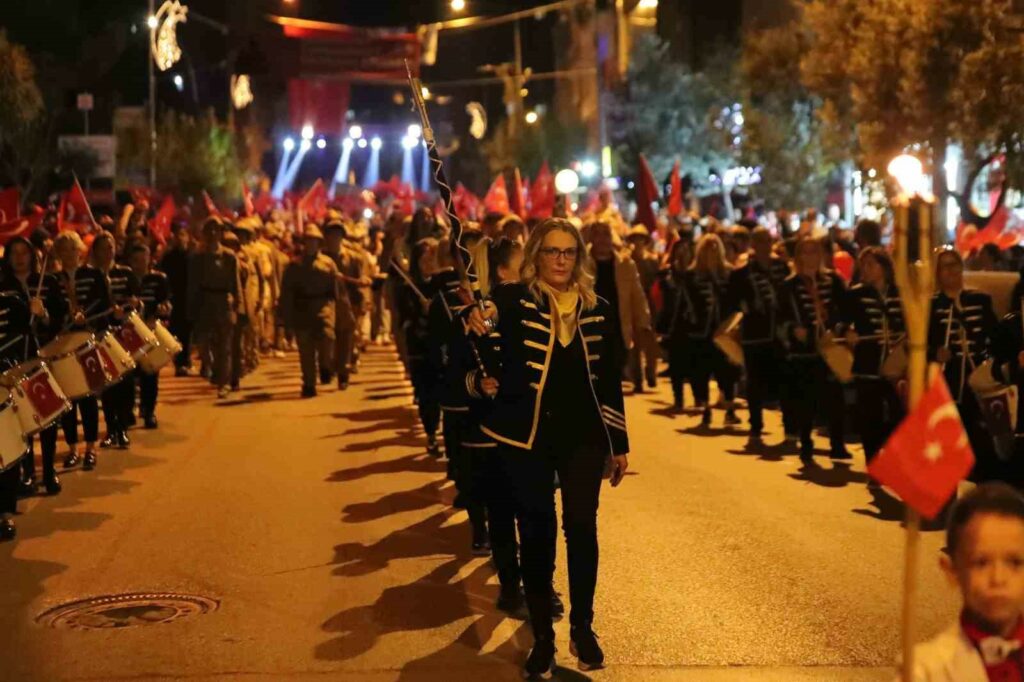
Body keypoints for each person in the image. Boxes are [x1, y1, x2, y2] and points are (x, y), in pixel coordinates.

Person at [467, 218, 630, 677]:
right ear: (535, 256)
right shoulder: (511, 299)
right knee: (536, 533)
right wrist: (477, 320)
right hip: (527, 435)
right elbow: (482, 326)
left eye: (568, 252)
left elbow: (609, 381)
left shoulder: (598, 307)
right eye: (551, 251)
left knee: (581, 528)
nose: (560, 260)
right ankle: (543, 637)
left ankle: (583, 627)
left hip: (584, 437)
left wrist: (618, 443)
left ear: (578, 258)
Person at [909, 483, 1024, 681]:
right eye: (981, 562)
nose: (998, 579)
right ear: (952, 571)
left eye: (1014, 562)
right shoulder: (924, 671)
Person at [0, 237, 66, 509]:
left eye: (23, 252)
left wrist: (44, 314)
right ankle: (27, 473)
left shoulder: (47, 282)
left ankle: (48, 469)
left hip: (42, 355)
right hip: (14, 361)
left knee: (47, 415)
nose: (19, 258)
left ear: (32, 255)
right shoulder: (3, 286)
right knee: (22, 420)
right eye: (13, 253)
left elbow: (60, 319)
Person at [930, 248, 999, 481]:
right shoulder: (932, 306)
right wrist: (935, 353)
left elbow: (995, 336)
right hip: (948, 380)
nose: (951, 270)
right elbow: (919, 345)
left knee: (981, 434)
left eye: (955, 264)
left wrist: (987, 359)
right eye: (945, 266)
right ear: (937, 273)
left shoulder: (980, 299)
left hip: (977, 377)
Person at [779, 236, 849, 462]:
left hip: (830, 347)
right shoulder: (789, 285)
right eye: (805, 252)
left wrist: (838, 329)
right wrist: (793, 330)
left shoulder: (833, 280)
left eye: (814, 251)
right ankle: (806, 442)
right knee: (806, 399)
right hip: (804, 350)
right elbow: (780, 319)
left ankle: (837, 444)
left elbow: (844, 310)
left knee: (835, 398)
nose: (810, 257)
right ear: (798, 256)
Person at [53, 231, 113, 470]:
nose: (69, 254)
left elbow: (105, 305)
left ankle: (90, 447)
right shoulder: (53, 280)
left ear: (80, 251)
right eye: (64, 249)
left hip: (88, 340)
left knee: (88, 396)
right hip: (64, 343)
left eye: (73, 248)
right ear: (58, 253)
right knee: (68, 397)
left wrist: (87, 316)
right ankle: (72, 448)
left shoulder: (94, 275)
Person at [725, 226, 791, 445]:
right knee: (755, 382)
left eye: (767, 241)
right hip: (754, 335)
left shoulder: (782, 268)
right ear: (753, 244)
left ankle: (789, 427)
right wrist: (745, 306)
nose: (764, 245)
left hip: (780, 335)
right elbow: (731, 301)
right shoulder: (742, 274)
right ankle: (756, 426)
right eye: (760, 241)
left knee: (784, 380)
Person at [843, 247, 906, 469]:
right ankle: (873, 462)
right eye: (863, 265)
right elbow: (839, 322)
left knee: (898, 414)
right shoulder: (855, 294)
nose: (866, 269)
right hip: (867, 363)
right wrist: (847, 332)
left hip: (896, 366)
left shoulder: (901, 293)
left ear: (884, 267)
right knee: (869, 416)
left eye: (871, 264)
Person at [587, 221, 655, 394]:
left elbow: (637, 295)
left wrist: (643, 320)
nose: (602, 239)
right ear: (591, 237)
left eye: (606, 234)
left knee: (612, 374)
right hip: (588, 330)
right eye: (598, 234)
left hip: (617, 330)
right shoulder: (580, 263)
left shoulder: (625, 264)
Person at [682, 234, 739, 427]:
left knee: (727, 370)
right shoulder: (691, 275)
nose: (712, 252)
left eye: (715, 247)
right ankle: (706, 408)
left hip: (723, 331)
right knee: (702, 371)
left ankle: (729, 408)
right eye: (707, 248)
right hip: (700, 332)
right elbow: (686, 303)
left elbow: (733, 300)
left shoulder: (729, 273)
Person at [279, 225, 339, 398]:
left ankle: (325, 365)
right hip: (302, 310)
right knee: (306, 350)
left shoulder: (328, 263)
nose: (311, 244)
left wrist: (337, 309)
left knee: (328, 337)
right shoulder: (294, 265)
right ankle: (309, 384)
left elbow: (335, 290)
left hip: (323, 307)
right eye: (308, 241)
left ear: (319, 243)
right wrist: (286, 321)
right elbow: (287, 294)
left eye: (314, 241)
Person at [93, 231, 139, 449]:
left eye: (111, 247)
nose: (108, 251)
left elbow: (137, 300)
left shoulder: (125, 274)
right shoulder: (92, 276)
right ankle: (112, 429)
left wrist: (133, 305)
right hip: (103, 334)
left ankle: (123, 427)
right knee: (109, 385)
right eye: (103, 248)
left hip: (124, 335)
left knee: (127, 384)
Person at [188, 218, 240, 399]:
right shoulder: (198, 257)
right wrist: (192, 307)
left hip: (223, 301)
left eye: (216, 230)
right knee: (204, 341)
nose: (212, 234)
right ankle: (209, 365)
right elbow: (193, 284)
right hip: (205, 301)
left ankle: (224, 383)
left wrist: (237, 305)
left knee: (225, 346)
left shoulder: (229, 256)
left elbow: (235, 283)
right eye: (209, 230)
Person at [400, 237, 443, 457]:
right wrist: (422, 312)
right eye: (423, 260)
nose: (428, 264)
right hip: (420, 348)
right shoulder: (408, 288)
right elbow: (405, 318)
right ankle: (431, 433)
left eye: (432, 259)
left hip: (443, 349)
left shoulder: (444, 284)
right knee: (427, 394)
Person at [128, 243, 171, 429]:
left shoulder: (158, 279)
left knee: (150, 373)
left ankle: (149, 411)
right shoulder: (126, 279)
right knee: (130, 374)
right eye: (135, 260)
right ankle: (128, 410)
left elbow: (166, 302)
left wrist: (164, 308)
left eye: (142, 259)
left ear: (149, 259)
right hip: (130, 332)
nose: (139, 264)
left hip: (151, 330)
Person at [655, 239, 694, 412]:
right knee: (676, 361)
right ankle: (678, 398)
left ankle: (699, 397)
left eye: (686, 249)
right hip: (673, 322)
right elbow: (661, 294)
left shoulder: (694, 273)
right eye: (680, 249)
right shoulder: (667, 273)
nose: (683, 252)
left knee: (692, 361)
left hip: (692, 323)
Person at [321, 219, 357, 389]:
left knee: (345, 341)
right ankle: (327, 367)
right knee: (326, 338)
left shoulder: (352, 257)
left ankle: (343, 373)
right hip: (325, 304)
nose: (334, 237)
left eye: (337, 234)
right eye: (331, 234)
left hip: (345, 304)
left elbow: (360, 282)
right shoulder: (320, 258)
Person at [160, 222, 192, 376]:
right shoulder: (168, 257)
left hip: (189, 298)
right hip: (174, 298)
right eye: (177, 235)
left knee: (188, 332)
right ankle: (179, 362)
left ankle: (185, 361)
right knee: (176, 331)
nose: (180, 238)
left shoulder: (192, 256)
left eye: (183, 234)